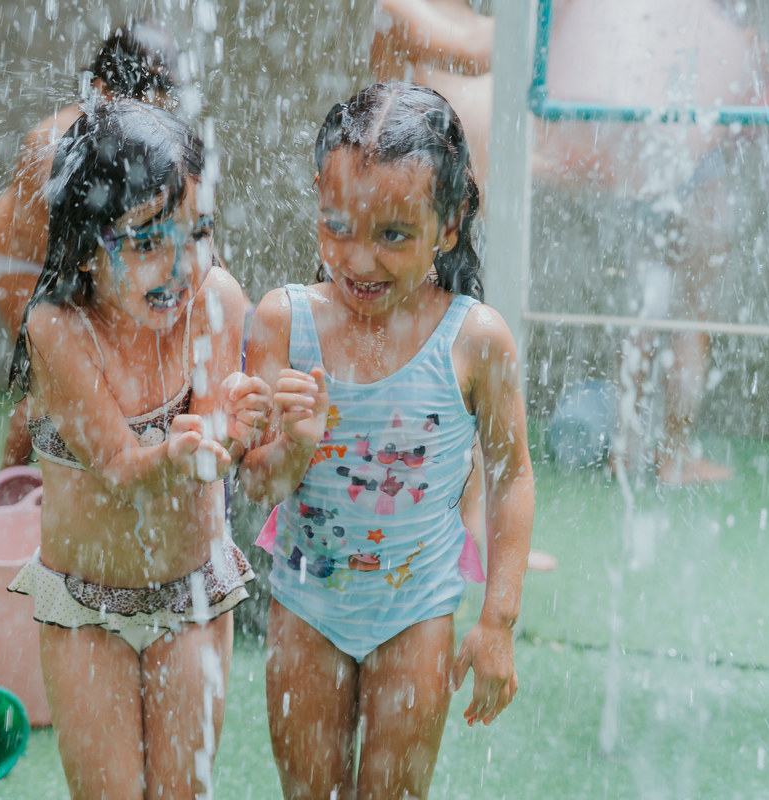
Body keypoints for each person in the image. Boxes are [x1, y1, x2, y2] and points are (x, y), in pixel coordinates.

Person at [241, 82, 535, 799]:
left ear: (451, 221)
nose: (359, 261)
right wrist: (294, 449)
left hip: (418, 611)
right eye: (337, 225)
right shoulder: (285, 322)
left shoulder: (474, 340)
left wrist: (497, 620)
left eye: (393, 235)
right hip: (305, 606)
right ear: (318, 197)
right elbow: (255, 485)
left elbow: (513, 476)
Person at [373, 0, 769, 485]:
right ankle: (439, 501)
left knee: (468, 358)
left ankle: (481, 515)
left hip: (450, 210)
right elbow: (487, 54)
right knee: (432, 351)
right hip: (416, 215)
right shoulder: (412, 12)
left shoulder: (461, 21)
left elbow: (493, 91)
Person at [4, 100, 271, 798]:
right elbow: (122, 467)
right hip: (86, 608)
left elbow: (218, 445)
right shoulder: (58, 328)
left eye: (200, 232)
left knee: (184, 791)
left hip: (191, 594)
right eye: (149, 240)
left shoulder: (217, 299)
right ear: (88, 245)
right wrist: (180, 455)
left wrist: (242, 428)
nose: (183, 266)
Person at [0, 20, 181, 469]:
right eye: (134, 97)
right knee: (48, 371)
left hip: (83, 257)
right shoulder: (51, 141)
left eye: (159, 98)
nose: (145, 113)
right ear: (99, 88)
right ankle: (6, 485)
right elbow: (65, 241)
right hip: (25, 260)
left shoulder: (141, 131)